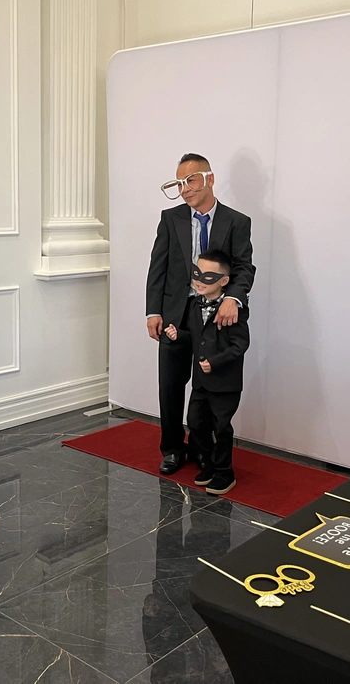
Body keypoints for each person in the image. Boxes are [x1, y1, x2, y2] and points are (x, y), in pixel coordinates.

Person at [146, 153, 255, 476]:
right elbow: (158, 268)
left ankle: (203, 450)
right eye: (178, 184)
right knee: (170, 385)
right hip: (176, 316)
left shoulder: (237, 222)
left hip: (217, 321)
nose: (184, 189)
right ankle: (172, 449)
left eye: (190, 180)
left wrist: (232, 298)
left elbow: (244, 267)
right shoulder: (171, 218)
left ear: (210, 179)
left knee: (207, 391)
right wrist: (153, 311)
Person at [164, 250, 249, 494]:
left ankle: (225, 472)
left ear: (224, 281)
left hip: (225, 383)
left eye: (209, 277)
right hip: (200, 381)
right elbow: (196, 339)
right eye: (197, 273)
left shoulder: (233, 310)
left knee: (221, 427)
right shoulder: (193, 305)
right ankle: (209, 463)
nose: (200, 280)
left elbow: (240, 345)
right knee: (195, 422)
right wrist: (178, 336)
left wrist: (216, 361)